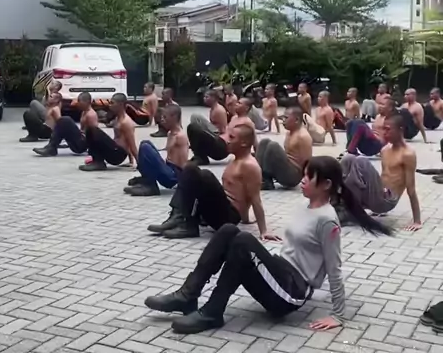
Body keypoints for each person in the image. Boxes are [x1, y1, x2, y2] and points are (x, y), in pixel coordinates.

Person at [144, 155, 391, 335]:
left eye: (309, 177)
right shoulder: (305, 206)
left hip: (291, 292)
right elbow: (296, 247)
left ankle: (212, 312)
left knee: (242, 241)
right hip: (280, 272)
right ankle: (188, 296)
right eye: (303, 174)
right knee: (229, 231)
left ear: (326, 184)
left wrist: (338, 315)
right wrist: (265, 246)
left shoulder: (328, 220)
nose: (302, 181)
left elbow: (334, 267)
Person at [147, 123, 266, 239]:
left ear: (244, 143)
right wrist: (246, 219)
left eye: (232, 137)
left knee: (204, 174)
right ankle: (178, 216)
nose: (227, 141)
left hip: (227, 218)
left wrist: (264, 231)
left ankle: (187, 224)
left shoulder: (250, 166)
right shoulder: (235, 160)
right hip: (217, 209)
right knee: (191, 170)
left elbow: (255, 199)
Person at [341, 113, 422, 231]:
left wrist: (417, 221)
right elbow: (383, 177)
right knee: (348, 159)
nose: (384, 133)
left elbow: (411, 189)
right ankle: (342, 203)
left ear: (400, 129)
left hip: (388, 200)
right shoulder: (385, 150)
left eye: (388, 129)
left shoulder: (407, 154)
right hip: (378, 195)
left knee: (361, 161)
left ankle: (348, 209)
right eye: (383, 129)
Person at [124, 104, 189, 196]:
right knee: (145, 143)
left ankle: (151, 187)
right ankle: (147, 181)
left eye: (165, 117)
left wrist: (185, 183)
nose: (162, 120)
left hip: (173, 176)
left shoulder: (180, 136)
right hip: (168, 168)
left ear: (174, 117)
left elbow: (184, 164)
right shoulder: (170, 133)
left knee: (145, 147)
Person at [257, 106, 313, 190]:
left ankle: (266, 181)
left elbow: (308, 162)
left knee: (273, 146)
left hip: (293, 176)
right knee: (264, 142)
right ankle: (260, 176)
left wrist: (308, 182)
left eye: (286, 118)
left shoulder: (303, 136)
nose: (283, 121)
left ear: (296, 120)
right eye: (283, 118)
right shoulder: (289, 133)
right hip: (285, 168)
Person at [79, 93, 137, 172]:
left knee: (93, 130)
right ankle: (97, 160)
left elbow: (131, 144)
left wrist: (139, 164)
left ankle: (98, 163)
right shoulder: (117, 119)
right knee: (91, 131)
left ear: (120, 105)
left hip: (118, 155)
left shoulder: (126, 122)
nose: (110, 105)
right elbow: (124, 139)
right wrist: (130, 161)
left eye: (112, 103)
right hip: (114, 150)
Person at [33, 92, 98, 157]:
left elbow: (95, 134)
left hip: (82, 145)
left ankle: (51, 148)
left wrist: (93, 151)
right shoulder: (84, 112)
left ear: (87, 102)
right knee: (63, 122)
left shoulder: (91, 115)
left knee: (66, 120)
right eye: (78, 101)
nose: (78, 104)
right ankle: (51, 147)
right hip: (79, 140)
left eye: (80, 102)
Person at [186, 89, 229, 164]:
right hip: (213, 131)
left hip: (217, 134)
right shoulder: (213, 109)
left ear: (213, 98)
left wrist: (207, 132)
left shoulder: (219, 110)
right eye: (204, 97)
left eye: (207, 97)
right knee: (195, 120)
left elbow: (222, 129)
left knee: (195, 118)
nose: (204, 99)